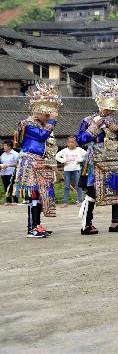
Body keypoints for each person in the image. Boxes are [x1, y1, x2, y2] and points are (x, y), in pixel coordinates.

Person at [77, 79, 118, 235]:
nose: (111, 110)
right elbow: (80, 140)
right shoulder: (88, 121)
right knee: (92, 190)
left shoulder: (113, 121)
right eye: (109, 106)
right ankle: (86, 224)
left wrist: (117, 129)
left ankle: (116, 222)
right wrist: (94, 128)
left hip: (113, 159)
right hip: (96, 159)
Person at [13, 83, 62, 238]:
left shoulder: (42, 125)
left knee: (40, 195)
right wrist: (52, 121)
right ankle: (32, 228)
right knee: (33, 194)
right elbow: (42, 136)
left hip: (40, 162)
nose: (48, 117)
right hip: (30, 162)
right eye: (46, 115)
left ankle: (37, 225)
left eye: (49, 115)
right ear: (38, 111)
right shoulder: (28, 124)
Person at [54, 136, 86, 204]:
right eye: (69, 142)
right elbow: (56, 156)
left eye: (72, 142)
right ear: (67, 143)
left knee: (78, 185)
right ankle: (65, 202)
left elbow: (87, 155)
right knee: (66, 186)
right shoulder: (64, 150)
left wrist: (80, 160)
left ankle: (80, 200)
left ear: (75, 143)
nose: (71, 143)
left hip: (76, 169)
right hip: (67, 170)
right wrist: (63, 161)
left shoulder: (79, 150)